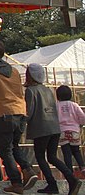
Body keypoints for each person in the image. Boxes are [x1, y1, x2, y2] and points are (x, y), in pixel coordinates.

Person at [0, 39, 38, 194]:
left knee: (5, 149)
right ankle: (28, 170)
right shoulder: (13, 71)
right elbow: (19, 92)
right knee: (14, 145)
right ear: (3, 53)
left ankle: (16, 182)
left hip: (4, 113)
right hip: (20, 111)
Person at [25, 63, 81, 195]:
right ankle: (72, 179)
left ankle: (52, 184)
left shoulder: (30, 91)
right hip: (54, 127)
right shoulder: (48, 90)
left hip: (41, 128)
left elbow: (30, 111)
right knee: (52, 156)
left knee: (40, 156)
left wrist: (22, 122)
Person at [57, 85, 85, 178]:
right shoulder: (74, 105)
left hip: (62, 132)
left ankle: (69, 172)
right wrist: (80, 124)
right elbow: (82, 117)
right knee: (76, 151)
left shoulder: (57, 106)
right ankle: (82, 166)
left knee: (66, 153)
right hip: (74, 131)